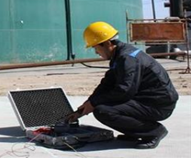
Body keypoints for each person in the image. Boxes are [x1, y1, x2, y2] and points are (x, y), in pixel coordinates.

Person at [68, 21, 178, 149]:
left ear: (107, 43)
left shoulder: (127, 58)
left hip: (159, 105)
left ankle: (154, 131)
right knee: (101, 105)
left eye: (96, 47)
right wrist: (89, 103)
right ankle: (135, 132)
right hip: (147, 100)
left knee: (103, 111)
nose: (96, 52)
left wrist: (95, 104)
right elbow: (107, 83)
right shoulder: (119, 55)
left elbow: (124, 91)